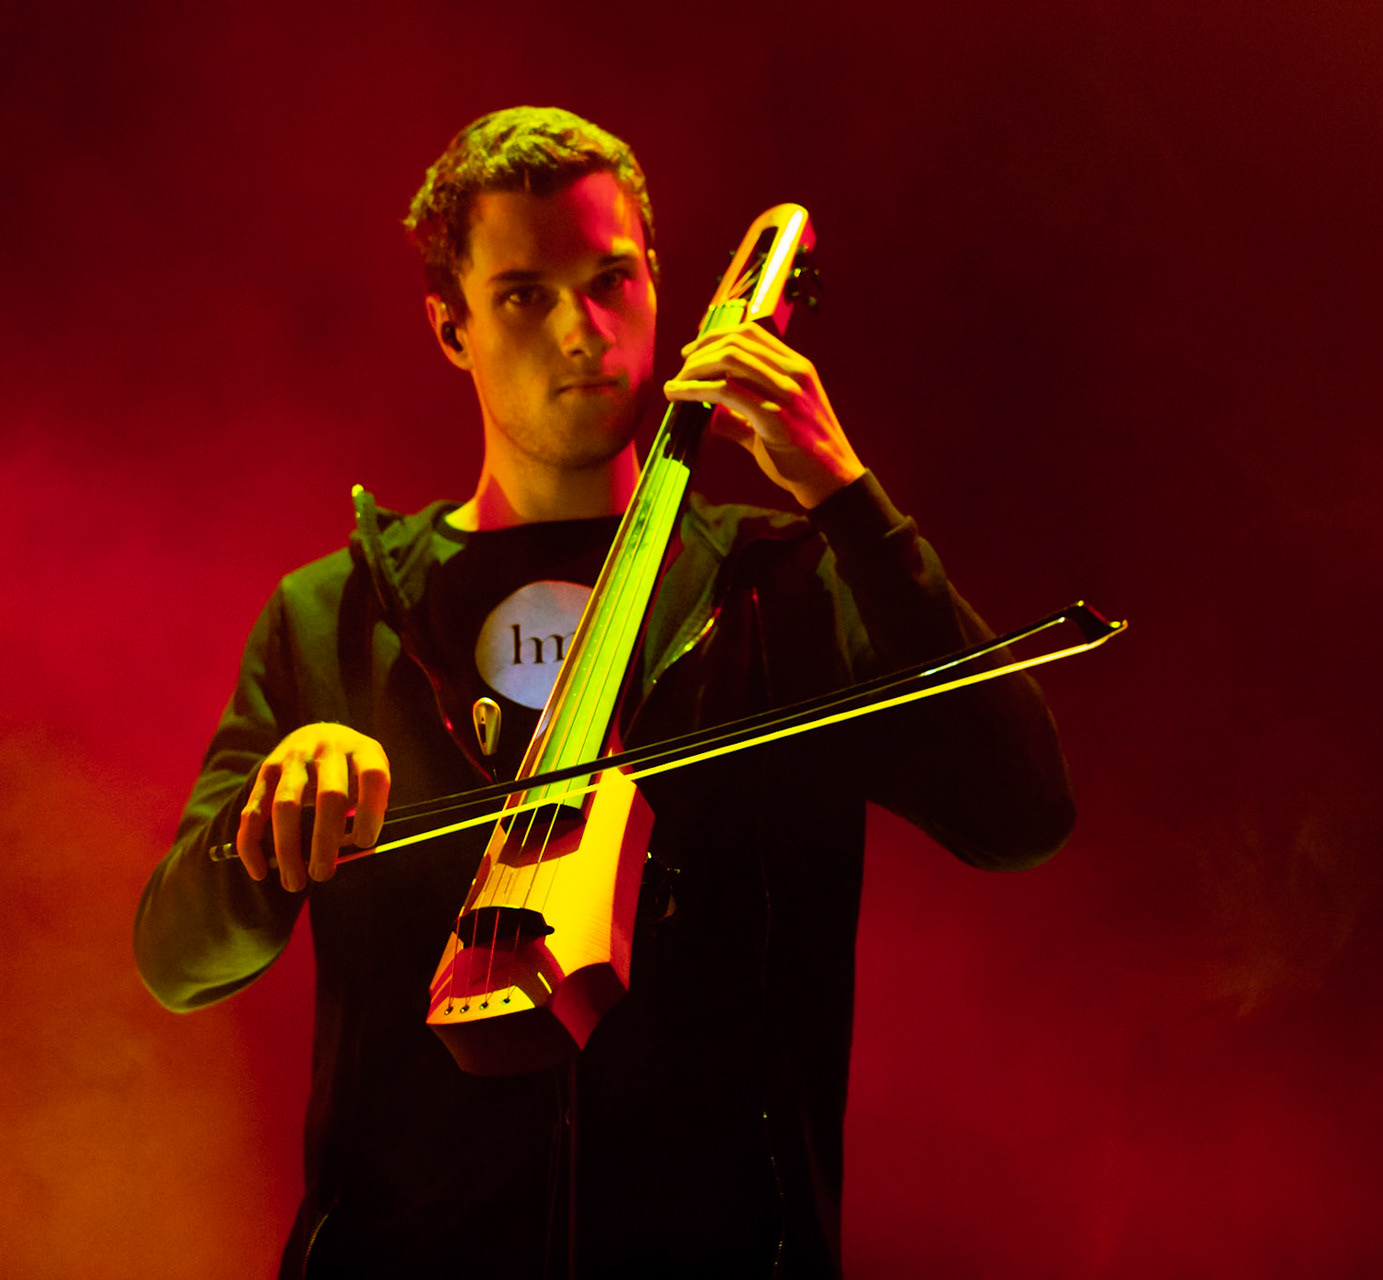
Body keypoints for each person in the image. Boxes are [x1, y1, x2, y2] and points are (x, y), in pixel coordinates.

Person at [134, 106, 1073, 1279]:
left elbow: (1020, 813)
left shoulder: (782, 580)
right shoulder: (338, 615)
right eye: (524, 293)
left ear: (660, 289)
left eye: (611, 279)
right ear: (450, 327)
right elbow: (178, 957)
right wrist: (263, 826)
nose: (583, 332)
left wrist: (846, 494)